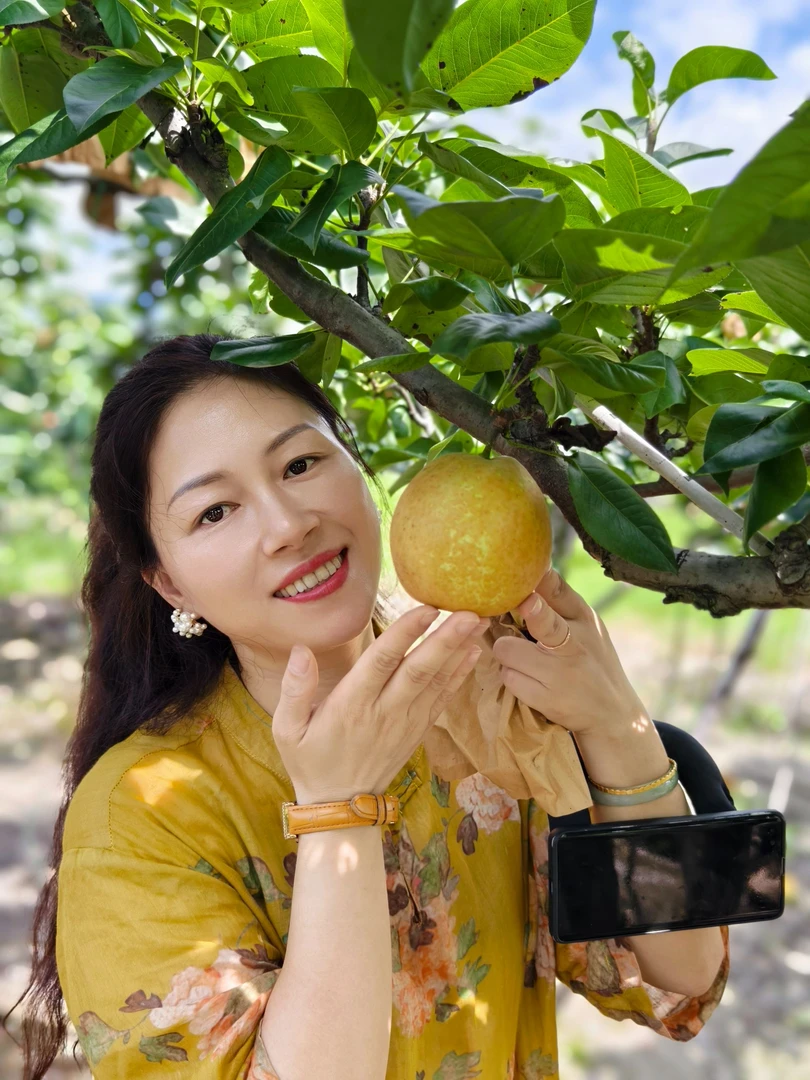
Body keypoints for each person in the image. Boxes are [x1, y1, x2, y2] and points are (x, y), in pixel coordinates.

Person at [6, 334, 729, 1080]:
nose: (289, 525)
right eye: (216, 512)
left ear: (356, 465)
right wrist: (336, 811)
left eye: (300, 464)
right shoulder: (138, 819)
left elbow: (682, 977)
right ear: (171, 586)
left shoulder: (480, 705)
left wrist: (618, 729)